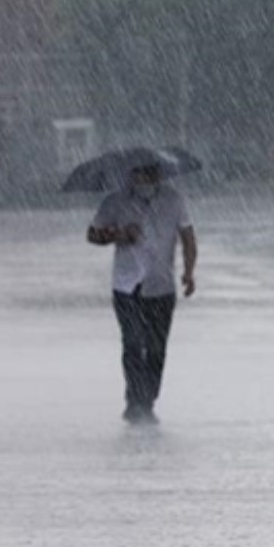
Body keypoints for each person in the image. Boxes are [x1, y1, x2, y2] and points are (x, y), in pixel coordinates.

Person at [86, 162, 196, 424]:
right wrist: (118, 234)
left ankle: (148, 400)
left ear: (159, 174)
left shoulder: (174, 200)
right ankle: (134, 401)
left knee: (157, 347)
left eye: (150, 173)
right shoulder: (115, 201)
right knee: (133, 343)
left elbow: (188, 237)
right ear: (131, 174)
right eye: (139, 173)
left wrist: (189, 272)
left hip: (161, 285)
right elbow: (92, 234)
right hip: (126, 284)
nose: (144, 179)